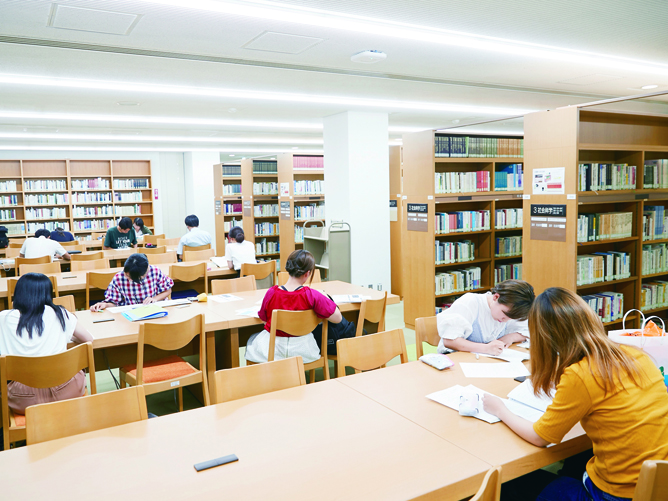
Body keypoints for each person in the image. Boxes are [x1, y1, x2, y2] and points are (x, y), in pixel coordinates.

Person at [482, 288, 668, 501]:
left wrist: (500, 409)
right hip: (659, 485)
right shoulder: (635, 354)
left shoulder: (581, 374)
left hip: (617, 493)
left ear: (545, 337)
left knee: (514, 485)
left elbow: (540, 437)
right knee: (573, 464)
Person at [0, 273, 93, 415]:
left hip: (24, 400)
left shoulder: (4, 318)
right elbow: (89, 340)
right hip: (66, 392)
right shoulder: (60, 313)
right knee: (78, 372)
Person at [245, 249, 342, 364]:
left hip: (274, 352)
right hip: (304, 352)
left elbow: (264, 319)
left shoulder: (272, 293)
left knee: (251, 340)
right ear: (307, 273)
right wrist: (324, 297)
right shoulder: (312, 295)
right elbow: (338, 318)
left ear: (288, 268)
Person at [436, 279, 534, 355]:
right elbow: (450, 341)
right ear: (496, 297)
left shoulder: (511, 310)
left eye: (510, 318)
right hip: (455, 360)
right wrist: (486, 348)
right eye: (505, 315)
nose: (505, 320)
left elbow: (529, 330)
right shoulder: (470, 302)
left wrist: (511, 337)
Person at [90, 253, 173, 311]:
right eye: (126, 274)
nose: (128, 278)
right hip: (132, 313)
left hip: (154, 310)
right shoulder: (119, 278)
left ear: (143, 274)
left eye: (131, 277)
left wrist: (154, 299)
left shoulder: (155, 271)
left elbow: (168, 290)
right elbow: (115, 303)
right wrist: (105, 304)